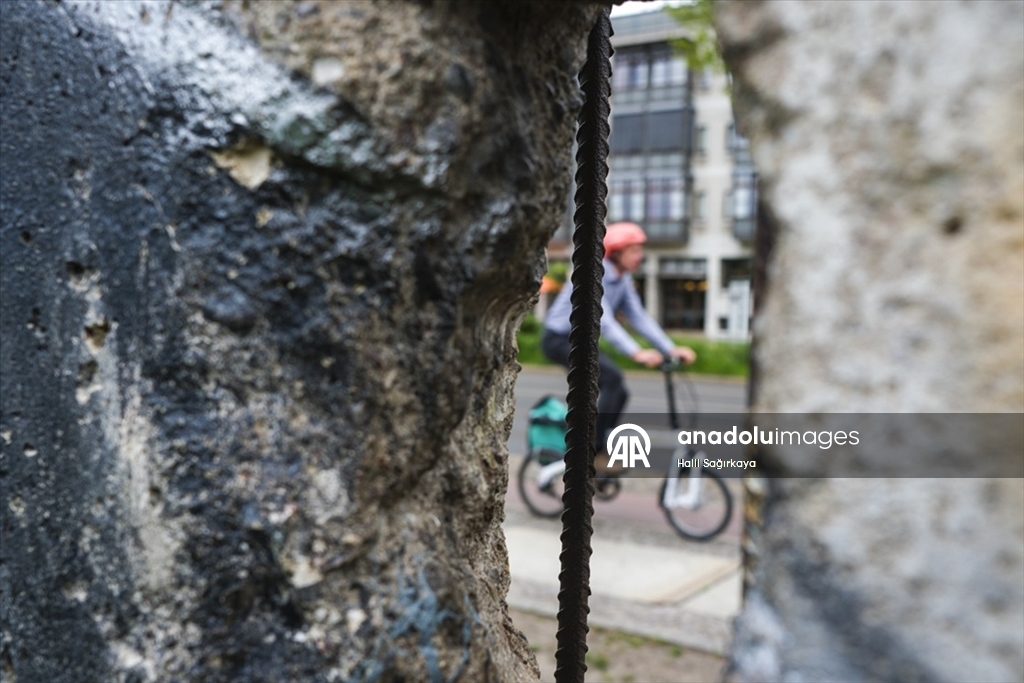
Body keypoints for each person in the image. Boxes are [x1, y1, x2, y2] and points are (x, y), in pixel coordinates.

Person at [541, 221, 696, 471]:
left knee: (620, 391)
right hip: (560, 339)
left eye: (640, 250)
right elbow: (604, 320)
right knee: (612, 380)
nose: (640, 256)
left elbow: (639, 318)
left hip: (582, 342)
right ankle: (594, 451)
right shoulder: (593, 273)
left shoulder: (623, 280)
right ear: (615, 252)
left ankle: (598, 445)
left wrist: (670, 349)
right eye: (634, 250)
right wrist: (636, 352)